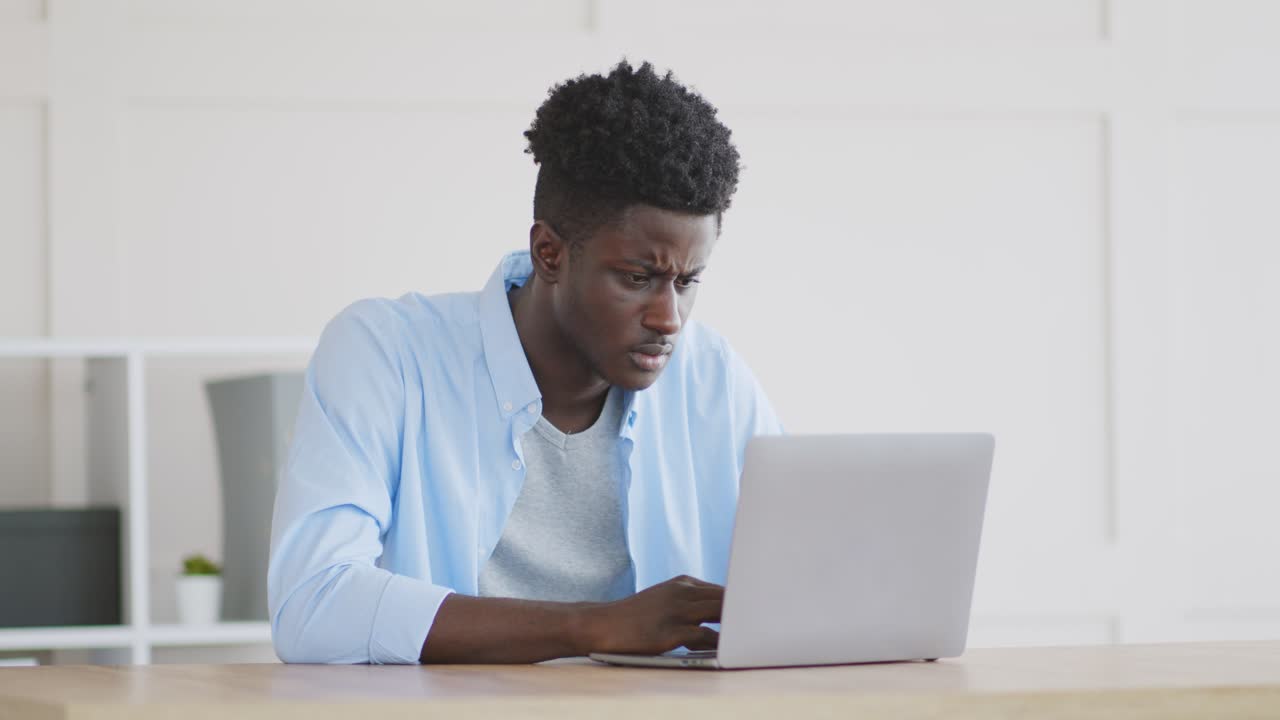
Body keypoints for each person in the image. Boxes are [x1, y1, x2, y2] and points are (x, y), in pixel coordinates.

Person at [267, 60, 782, 665]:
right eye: (638, 278)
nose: (669, 318)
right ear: (550, 253)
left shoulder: (712, 378)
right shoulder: (386, 353)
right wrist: (596, 627)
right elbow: (312, 604)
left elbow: (804, 577)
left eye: (688, 281)